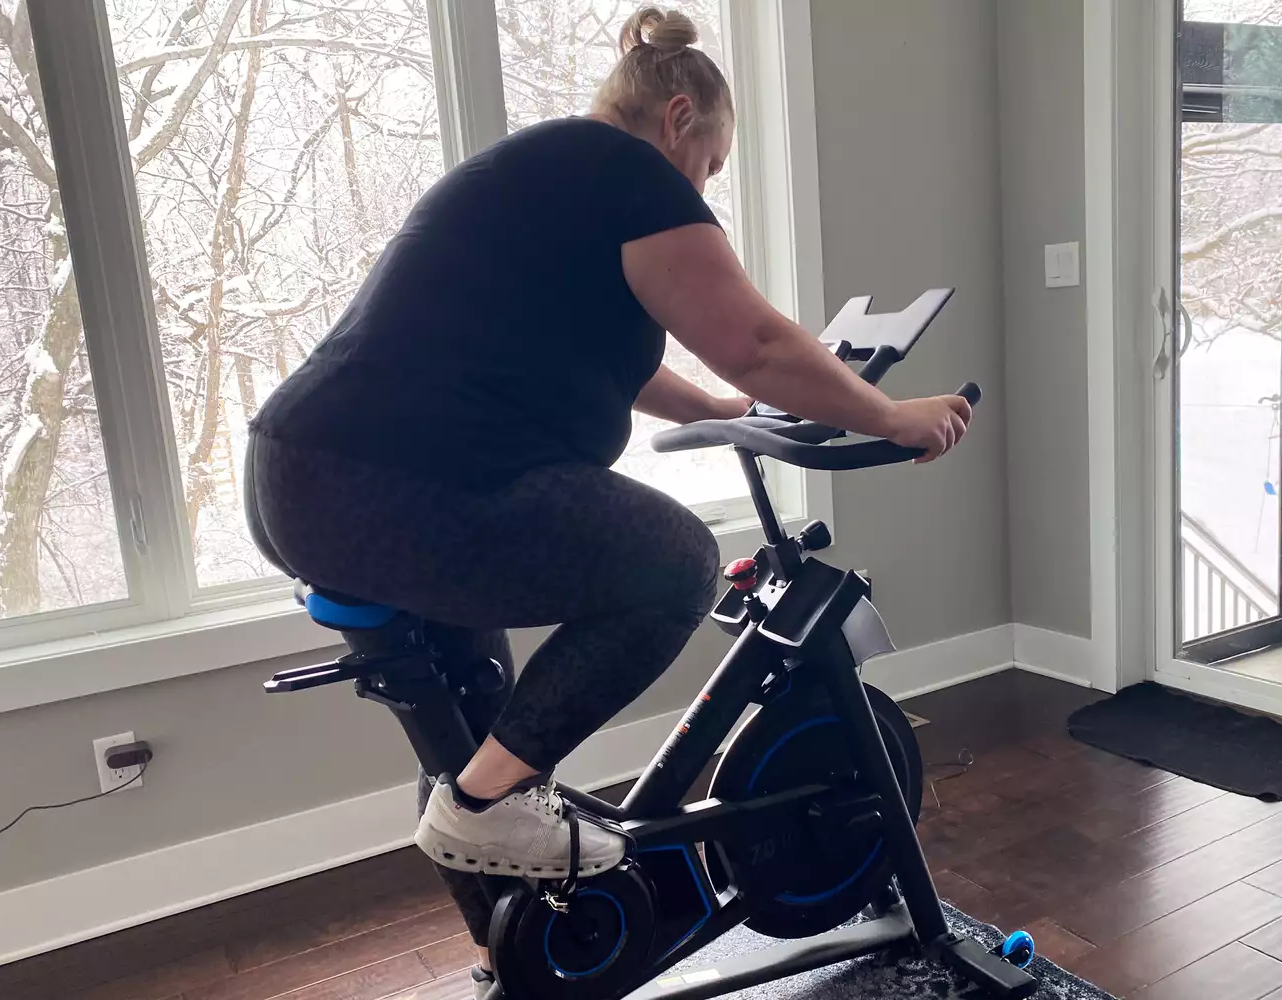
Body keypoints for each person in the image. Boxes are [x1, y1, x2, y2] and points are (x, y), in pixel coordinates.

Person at [244, 5, 972, 992]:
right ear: (680, 119)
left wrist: (721, 408)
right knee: (674, 562)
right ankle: (483, 806)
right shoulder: (625, 175)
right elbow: (757, 340)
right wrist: (894, 416)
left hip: (311, 474)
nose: (706, 189)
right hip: (391, 487)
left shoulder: (556, 178)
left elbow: (616, 354)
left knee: (487, 710)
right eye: (711, 169)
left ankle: (515, 890)